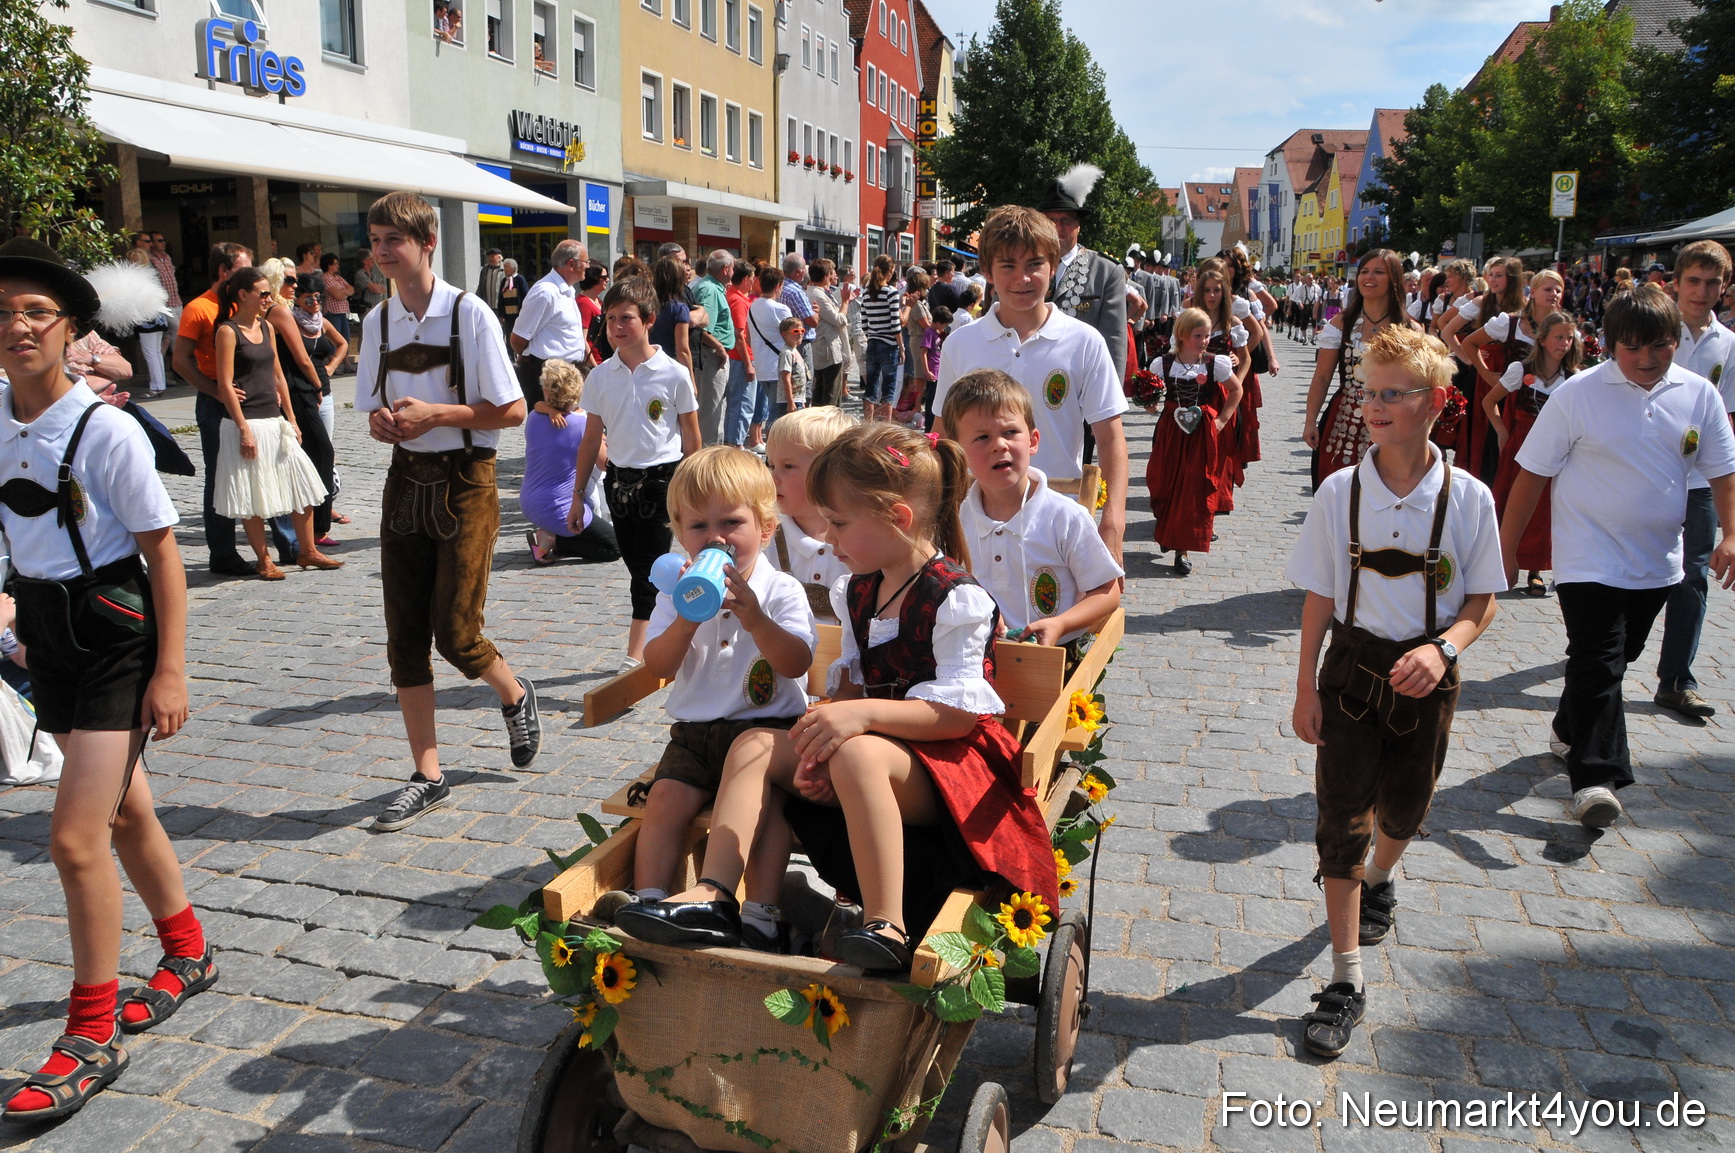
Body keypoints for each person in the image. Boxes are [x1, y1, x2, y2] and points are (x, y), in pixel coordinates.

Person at [616, 424, 1058, 969]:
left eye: (840, 524)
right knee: (756, 743)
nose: (828, 539)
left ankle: (886, 924)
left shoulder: (956, 597)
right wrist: (823, 728)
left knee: (856, 750)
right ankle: (715, 894)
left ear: (897, 518)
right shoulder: (859, 590)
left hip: (947, 765)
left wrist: (855, 717)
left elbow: (957, 717)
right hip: (876, 745)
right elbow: (851, 684)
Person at [0, 237, 212, 1122]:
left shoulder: (106, 428)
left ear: (71, 330)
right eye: (3, 311)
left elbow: (164, 554)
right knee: (126, 810)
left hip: (119, 635)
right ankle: (188, 951)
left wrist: (170, 670)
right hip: (44, 630)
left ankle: (92, 1031)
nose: (16, 326)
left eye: (34, 312)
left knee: (76, 839)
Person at [1287, 325, 1504, 1060]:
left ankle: (1382, 876)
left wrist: (1443, 649)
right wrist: (1302, 688)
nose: (1374, 406)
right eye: (1366, 392)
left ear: (1437, 402)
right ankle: (1344, 977)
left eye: (1392, 394)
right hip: (1349, 670)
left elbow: (1481, 600)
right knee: (1339, 820)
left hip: (1427, 676)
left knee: (1406, 808)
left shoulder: (1467, 496)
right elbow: (1319, 595)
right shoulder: (1338, 491)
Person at [1500, 286, 1735, 828]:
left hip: (1657, 562)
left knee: (1611, 660)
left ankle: (1567, 725)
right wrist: (1507, 549)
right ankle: (1595, 780)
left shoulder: (1698, 394)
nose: (1647, 360)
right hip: (1587, 558)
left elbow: (1722, 469)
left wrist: (1730, 533)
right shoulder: (1578, 395)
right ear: (1608, 345)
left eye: (1660, 347)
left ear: (1676, 342)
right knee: (1601, 661)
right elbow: (1531, 473)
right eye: (1633, 349)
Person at [356, 191, 543, 831]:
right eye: (376, 240)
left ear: (426, 243)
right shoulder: (377, 320)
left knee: (457, 632)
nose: (381, 252)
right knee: (404, 639)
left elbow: (513, 411)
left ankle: (515, 693)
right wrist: (384, 423)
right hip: (405, 478)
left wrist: (441, 414)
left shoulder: (470, 315)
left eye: (393, 241)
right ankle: (427, 773)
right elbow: (374, 403)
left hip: (467, 479)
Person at [611, 446, 816, 935]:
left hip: (769, 734)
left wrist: (753, 616)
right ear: (680, 536)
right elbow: (657, 666)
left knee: (768, 815)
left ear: (766, 529)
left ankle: (761, 916)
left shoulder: (780, 590)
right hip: (696, 735)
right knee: (663, 801)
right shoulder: (676, 593)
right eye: (698, 527)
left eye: (730, 523)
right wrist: (685, 620)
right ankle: (652, 902)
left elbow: (797, 661)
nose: (716, 538)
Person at [933, 206, 1129, 563]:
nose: (1022, 279)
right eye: (1008, 266)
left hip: (1058, 520)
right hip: (976, 523)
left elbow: (1110, 436)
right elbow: (943, 434)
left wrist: (1113, 521)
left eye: (1034, 265)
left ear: (1053, 268)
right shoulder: (961, 344)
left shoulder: (1085, 341)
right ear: (987, 271)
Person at [570, 275, 702, 667]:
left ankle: (636, 658)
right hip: (619, 485)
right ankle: (680, 621)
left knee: (645, 573)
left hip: (663, 481)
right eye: (610, 319)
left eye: (625, 318)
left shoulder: (674, 373)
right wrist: (578, 496)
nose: (615, 327)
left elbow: (692, 438)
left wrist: (696, 492)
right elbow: (591, 439)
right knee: (640, 567)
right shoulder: (599, 376)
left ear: (648, 320)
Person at [945, 370, 1123, 640]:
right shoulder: (954, 519)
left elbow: (1108, 591)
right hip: (973, 660)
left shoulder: (1065, 517)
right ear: (959, 451)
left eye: (1010, 432)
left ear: (1033, 441)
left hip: (1053, 660)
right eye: (982, 437)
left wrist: (1061, 624)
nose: (999, 445)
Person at [173, 243, 297, 576]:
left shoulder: (254, 308)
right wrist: (215, 391)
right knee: (224, 479)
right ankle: (224, 553)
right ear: (225, 273)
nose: (253, 273)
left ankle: (288, 545)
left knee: (273, 469)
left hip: (259, 400)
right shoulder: (199, 308)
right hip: (217, 403)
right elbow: (180, 360)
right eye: (245, 267)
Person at [209, 268, 339, 580]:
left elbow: (279, 375)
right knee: (253, 496)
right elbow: (225, 384)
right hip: (246, 422)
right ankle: (263, 559)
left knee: (303, 484)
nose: (269, 298)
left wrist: (292, 420)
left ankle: (307, 550)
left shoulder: (267, 327)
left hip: (274, 420)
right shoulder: (228, 331)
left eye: (269, 292)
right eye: (263, 293)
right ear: (243, 295)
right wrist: (243, 429)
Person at [1653, 240, 1735, 719]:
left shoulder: (1727, 343)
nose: (1702, 291)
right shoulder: (1653, 327)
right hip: (1645, 469)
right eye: (1694, 281)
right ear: (1676, 283)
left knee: (1693, 577)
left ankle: (1677, 679)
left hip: (1699, 479)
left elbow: (1727, 417)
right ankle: (1603, 653)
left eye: (1712, 283)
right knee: (1629, 573)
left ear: (1723, 288)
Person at [1304, 250, 1420, 490]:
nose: (1369, 277)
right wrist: (1310, 421)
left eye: (1379, 272)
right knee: (1340, 489)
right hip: (1345, 419)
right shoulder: (1341, 324)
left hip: (1393, 418)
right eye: (1365, 272)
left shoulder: (1410, 329)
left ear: (1394, 279)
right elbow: (1323, 376)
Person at [1142, 308, 1243, 576]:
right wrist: (1149, 404)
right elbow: (1152, 403)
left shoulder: (1214, 363)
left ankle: (1182, 550)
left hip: (1202, 434)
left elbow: (1237, 390)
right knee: (1163, 482)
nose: (1205, 340)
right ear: (1183, 335)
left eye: (1208, 335)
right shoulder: (1162, 364)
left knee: (1193, 488)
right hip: (1170, 431)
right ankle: (1168, 530)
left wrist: (1221, 420)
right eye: (1198, 335)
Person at [1486, 311, 1579, 598]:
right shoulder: (1521, 369)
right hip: (1523, 443)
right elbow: (1489, 402)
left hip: (1558, 447)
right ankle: (1504, 559)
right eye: (1558, 337)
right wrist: (1502, 432)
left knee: (1546, 508)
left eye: (1569, 338)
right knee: (1515, 501)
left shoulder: (1574, 377)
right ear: (1542, 339)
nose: (1564, 343)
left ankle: (1536, 569)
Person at [764, 405, 857, 622]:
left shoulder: (861, 541)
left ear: (831, 472)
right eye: (771, 465)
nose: (773, 477)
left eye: (787, 466)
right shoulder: (765, 537)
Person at [521, 360, 619, 565]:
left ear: (547, 391)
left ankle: (551, 534)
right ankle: (554, 541)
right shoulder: (582, 423)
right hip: (558, 506)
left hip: (529, 501)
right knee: (614, 547)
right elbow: (605, 464)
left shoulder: (534, 417)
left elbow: (539, 406)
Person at [1038, 165, 1128, 380]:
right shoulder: (1024, 267)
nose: (1058, 228)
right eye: (1051, 220)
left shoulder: (1106, 271)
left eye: (1066, 221)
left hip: (1080, 380)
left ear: (1078, 225)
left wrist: (1108, 399)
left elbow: (1113, 340)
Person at [510, 240, 588, 407]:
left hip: (568, 373)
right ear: (571, 264)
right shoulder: (545, 292)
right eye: (585, 262)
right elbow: (518, 339)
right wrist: (535, 362)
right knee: (550, 429)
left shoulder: (566, 290)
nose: (588, 266)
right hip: (551, 377)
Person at [745, 266, 793, 448]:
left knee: (770, 409)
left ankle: (772, 447)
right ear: (778, 285)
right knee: (778, 412)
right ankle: (775, 450)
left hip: (763, 366)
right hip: (779, 366)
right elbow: (793, 336)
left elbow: (749, 337)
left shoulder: (752, 306)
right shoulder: (781, 309)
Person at [690, 250, 735, 446]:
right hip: (711, 357)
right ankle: (709, 460)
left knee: (714, 409)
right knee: (711, 412)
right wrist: (720, 348)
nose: (734, 272)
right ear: (726, 269)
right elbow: (703, 328)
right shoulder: (710, 290)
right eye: (733, 268)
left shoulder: (709, 286)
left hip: (711, 356)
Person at [858, 254, 906, 424]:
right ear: (890, 271)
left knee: (870, 387)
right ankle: (885, 427)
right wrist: (901, 347)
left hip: (872, 342)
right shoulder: (891, 293)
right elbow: (895, 324)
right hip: (889, 345)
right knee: (889, 388)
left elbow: (863, 323)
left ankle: (868, 424)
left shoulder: (866, 293)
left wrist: (872, 334)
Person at [648, 255, 696, 393]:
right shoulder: (679, 309)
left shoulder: (647, 305)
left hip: (648, 362)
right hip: (670, 365)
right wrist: (691, 381)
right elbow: (683, 350)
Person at [722, 262, 758, 446]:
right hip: (740, 358)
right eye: (752, 279)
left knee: (736, 404)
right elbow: (739, 335)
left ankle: (732, 442)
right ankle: (735, 444)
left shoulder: (732, 295)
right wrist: (748, 364)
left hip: (736, 357)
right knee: (743, 404)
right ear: (745, 279)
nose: (753, 282)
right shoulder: (737, 300)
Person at [807, 259, 849, 408]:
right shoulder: (818, 294)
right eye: (832, 272)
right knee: (831, 394)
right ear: (826, 276)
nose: (834, 276)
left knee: (820, 391)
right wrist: (845, 302)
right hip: (829, 349)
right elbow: (838, 319)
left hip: (823, 347)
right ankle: (828, 428)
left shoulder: (816, 292)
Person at [774, 316, 811, 423]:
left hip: (798, 399)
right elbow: (786, 378)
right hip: (788, 401)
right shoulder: (787, 353)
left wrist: (802, 399)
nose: (800, 334)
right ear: (785, 334)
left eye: (802, 331)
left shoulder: (795, 351)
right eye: (796, 331)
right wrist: (790, 402)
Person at [318, 253, 355, 354]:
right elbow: (336, 295)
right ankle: (334, 363)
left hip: (343, 312)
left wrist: (342, 292)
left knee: (345, 338)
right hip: (332, 313)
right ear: (329, 265)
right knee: (334, 339)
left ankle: (346, 363)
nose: (337, 265)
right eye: (335, 263)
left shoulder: (338, 278)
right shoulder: (325, 277)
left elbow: (351, 289)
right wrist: (344, 292)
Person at [497, 257, 529, 333]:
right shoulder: (504, 281)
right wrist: (500, 315)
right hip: (508, 317)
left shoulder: (520, 279)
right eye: (504, 267)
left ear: (514, 269)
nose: (505, 269)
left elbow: (525, 297)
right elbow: (501, 299)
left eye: (507, 267)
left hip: (519, 316)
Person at [352, 250, 388, 318]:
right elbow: (373, 288)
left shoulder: (373, 276)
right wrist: (377, 287)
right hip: (366, 308)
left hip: (376, 307)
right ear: (364, 261)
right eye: (371, 259)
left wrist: (378, 287)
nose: (373, 261)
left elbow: (384, 289)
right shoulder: (360, 274)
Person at [477, 248, 505, 315]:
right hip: (487, 305)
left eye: (493, 256)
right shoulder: (485, 270)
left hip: (500, 305)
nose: (490, 259)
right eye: (489, 257)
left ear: (499, 257)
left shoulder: (504, 269)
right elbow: (481, 286)